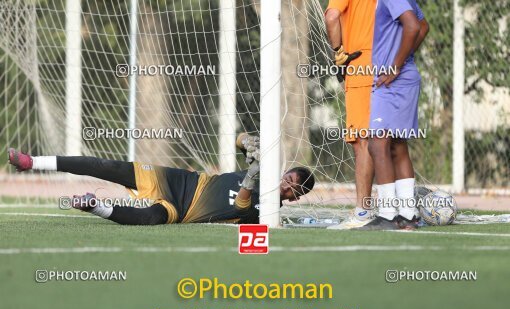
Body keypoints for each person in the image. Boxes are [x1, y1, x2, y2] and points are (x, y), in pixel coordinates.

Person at [7, 134, 315, 225]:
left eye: (293, 187)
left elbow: (242, 205)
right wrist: (250, 144)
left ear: (295, 197)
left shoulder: (268, 213)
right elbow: (238, 138)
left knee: (151, 217)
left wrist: (250, 176)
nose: (286, 184)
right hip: (178, 179)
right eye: (289, 177)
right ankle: (31, 161)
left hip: (182, 210)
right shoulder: (262, 168)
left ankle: (93, 206)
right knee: (106, 166)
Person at [361, 0, 429, 230]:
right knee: (397, 146)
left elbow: (413, 26)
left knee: (377, 145)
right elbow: (424, 25)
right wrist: (404, 61)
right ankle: (408, 216)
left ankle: (389, 214)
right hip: (403, 79)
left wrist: (396, 66)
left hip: (393, 81)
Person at [324, 0, 378, 228]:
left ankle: (364, 211)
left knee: (362, 141)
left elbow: (332, 17)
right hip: (383, 61)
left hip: (360, 63)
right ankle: (394, 206)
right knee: (383, 139)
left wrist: (338, 52)